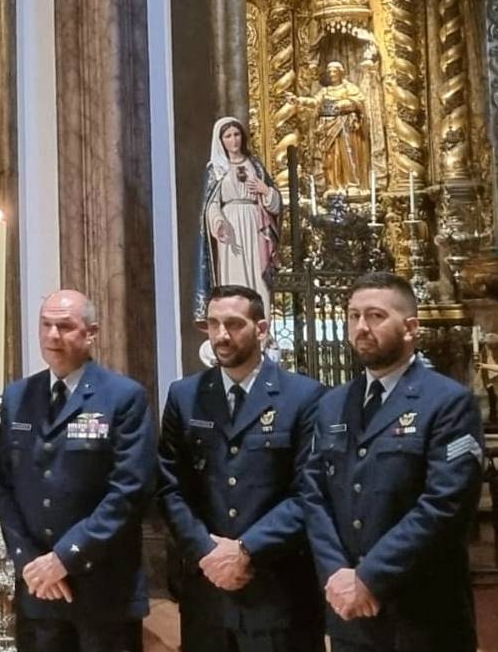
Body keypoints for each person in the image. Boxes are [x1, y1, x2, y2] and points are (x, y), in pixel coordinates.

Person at [301, 272, 485, 652]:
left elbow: (445, 504)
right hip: (350, 610)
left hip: (421, 611)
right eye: (353, 316)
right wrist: (336, 573)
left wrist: (369, 577)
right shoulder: (332, 403)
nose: (361, 327)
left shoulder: (447, 402)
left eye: (376, 316)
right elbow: (314, 492)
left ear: (411, 328)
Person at [157, 285, 325, 652]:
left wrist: (246, 550)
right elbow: (170, 487)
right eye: (213, 324)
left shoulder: (304, 396)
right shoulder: (185, 396)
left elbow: (310, 491)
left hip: (277, 587)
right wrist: (205, 549)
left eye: (233, 324)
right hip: (207, 587)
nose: (221, 335)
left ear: (261, 329)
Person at [0, 290, 156, 652]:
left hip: (104, 589)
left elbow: (130, 490)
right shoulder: (20, 396)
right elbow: (2, 482)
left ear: (91, 333)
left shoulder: (122, 397)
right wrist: (29, 561)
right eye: (46, 325)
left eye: (65, 326)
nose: (52, 335)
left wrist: (65, 558)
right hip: (38, 589)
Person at [193, 117, 281, 321]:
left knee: (258, 280)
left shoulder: (256, 166)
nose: (234, 140)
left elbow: (275, 205)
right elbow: (211, 205)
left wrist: (266, 191)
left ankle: (261, 330)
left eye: (237, 134)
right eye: (228, 136)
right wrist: (218, 223)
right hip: (231, 228)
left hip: (255, 224)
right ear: (220, 140)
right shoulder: (216, 169)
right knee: (234, 280)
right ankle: (236, 323)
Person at [298, 61, 371, 191]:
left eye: (334, 71)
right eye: (329, 72)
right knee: (331, 157)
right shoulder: (325, 91)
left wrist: (343, 104)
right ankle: (333, 185)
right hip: (328, 127)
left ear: (341, 72)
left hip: (346, 127)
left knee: (347, 154)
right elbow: (315, 102)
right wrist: (299, 100)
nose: (332, 74)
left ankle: (352, 184)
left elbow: (359, 102)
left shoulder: (350, 88)